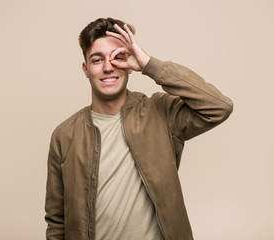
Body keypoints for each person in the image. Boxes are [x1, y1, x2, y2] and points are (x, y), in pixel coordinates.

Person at [45, 17, 233, 240]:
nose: (108, 67)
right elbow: (57, 221)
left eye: (118, 57)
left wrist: (148, 64)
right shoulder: (64, 135)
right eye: (97, 60)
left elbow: (219, 107)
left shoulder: (161, 113)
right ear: (86, 69)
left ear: (130, 63)